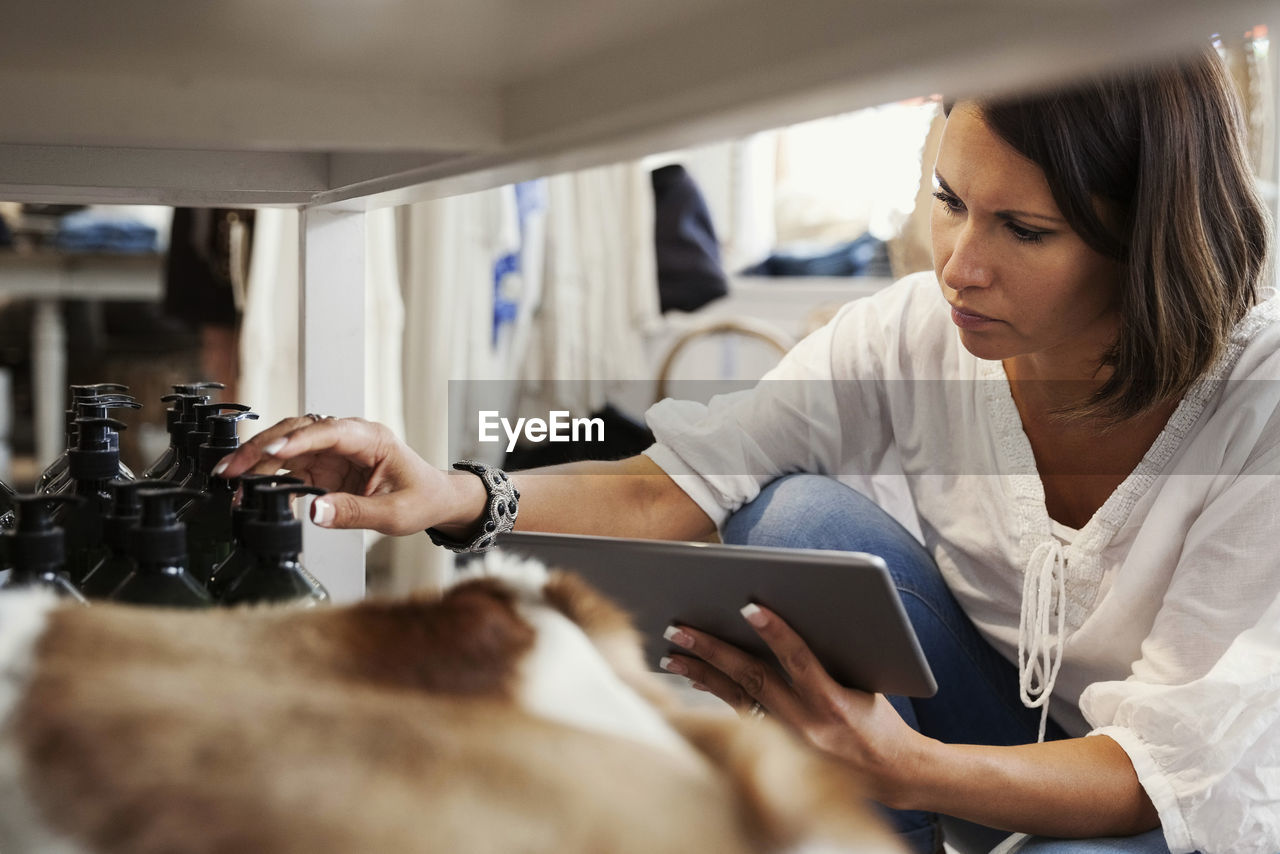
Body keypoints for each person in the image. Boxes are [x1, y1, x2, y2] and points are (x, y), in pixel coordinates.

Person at [215, 46, 1280, 854]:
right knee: (798, 523)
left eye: (1024, 231)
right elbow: (670, 484)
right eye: (949, 202)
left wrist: (904, 767)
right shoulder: (913, 330)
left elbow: (1162, 769)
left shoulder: (1257, 401)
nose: (960, 263)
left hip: (1177, 797)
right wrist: (447, 491)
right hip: (991, 723)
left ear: (1141, 239)